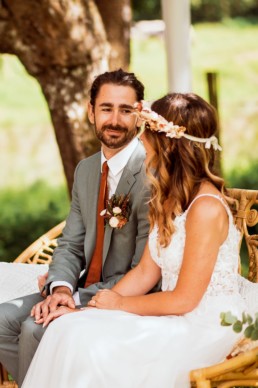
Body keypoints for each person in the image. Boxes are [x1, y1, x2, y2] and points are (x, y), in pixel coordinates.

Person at [21, 93, 247, 388]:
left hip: (203, 325)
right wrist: (89, 310)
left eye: (147, 133)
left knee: (91, 347)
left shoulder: (205, 208)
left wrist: (120, 304)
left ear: (167, 144)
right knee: (69, 328)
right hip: (175, 315)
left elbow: (185, 299)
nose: (140, 140)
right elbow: (144, 272)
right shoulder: (168, 199)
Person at [0, 69, 151, 386]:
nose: (115, 120)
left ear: (140, 114)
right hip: (79, 288)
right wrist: (62, 289)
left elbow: (146, 269)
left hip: (126, 295)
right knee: (2, 320)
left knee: (35, 328)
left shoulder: (151, 176)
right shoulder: (85, 170)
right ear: (91, 111)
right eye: (106, 108)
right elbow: (70, 244)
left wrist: (78, 301)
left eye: (126, 110)